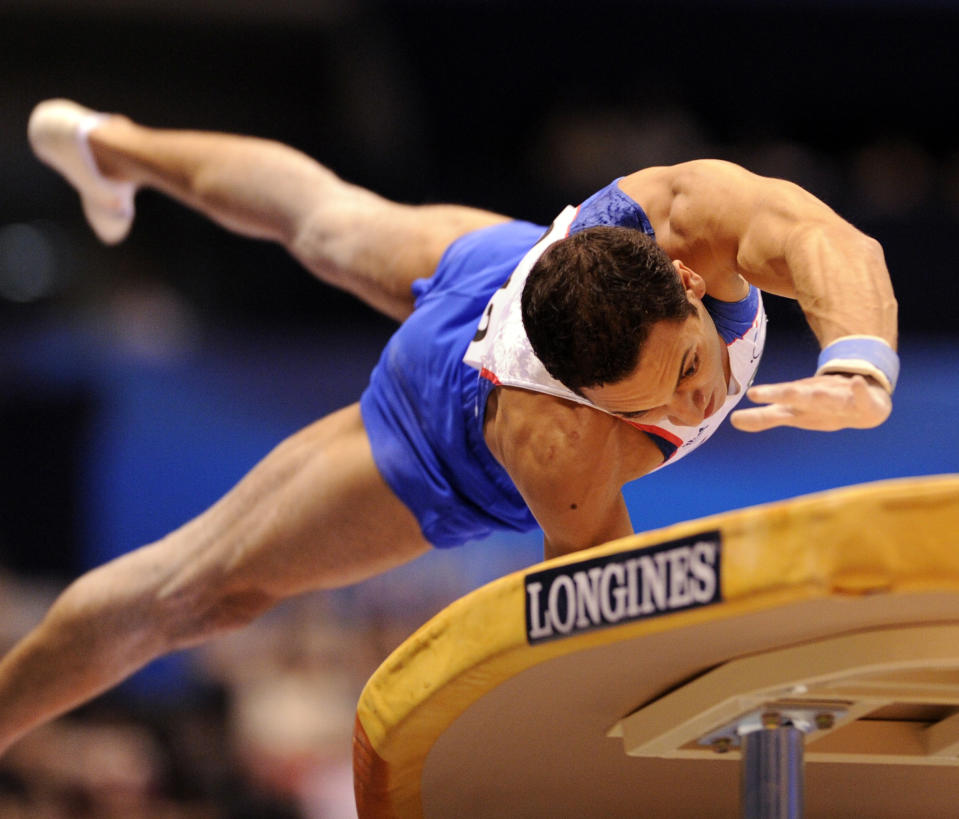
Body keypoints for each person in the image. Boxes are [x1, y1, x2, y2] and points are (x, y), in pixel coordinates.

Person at [0, 99, 898, 758]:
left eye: (692, 368)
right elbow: (603, 631)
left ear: (689, 282)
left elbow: (841, 249)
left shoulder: (687, 211)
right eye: (650, 409)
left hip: (510, 270)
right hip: (448, 421)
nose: (693, 407)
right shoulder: (560, 446)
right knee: (198, 590)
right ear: (589, 400)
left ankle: (106, 145)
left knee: (330, 219)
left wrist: (859, 364)